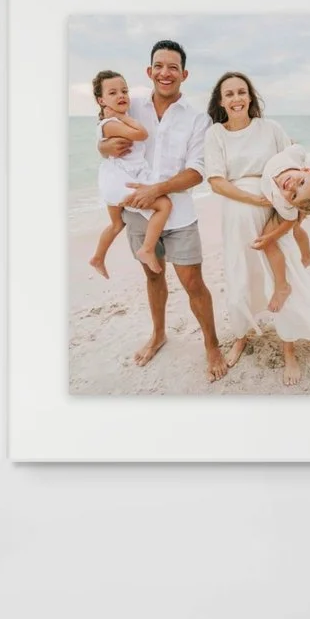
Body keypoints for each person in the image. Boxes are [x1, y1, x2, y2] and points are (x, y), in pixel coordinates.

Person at [202, 72, 310, 387]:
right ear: (221, 101)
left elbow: (295, 172)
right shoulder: (215, 134)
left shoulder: (271, 128)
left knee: (282, 279)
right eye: (229, 94)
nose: (236, 98)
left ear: (250, 97)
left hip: (274, 210)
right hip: (237, 215)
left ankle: (289, 349)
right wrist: (253, 198)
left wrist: (281, 210)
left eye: (241, 92)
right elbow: (215, 181)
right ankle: (242, 335)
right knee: (240, 279)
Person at [102, 39, 231, 381]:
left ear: (183, 74)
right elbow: (105, 132)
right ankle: (159, 334)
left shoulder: (197, 119)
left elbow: (197, 170)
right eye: (159, 66)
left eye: (173, 67)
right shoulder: (133, 107)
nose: (165, 72)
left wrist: (157, 189)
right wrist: (103, 146)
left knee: (193, 282)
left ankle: (212, 344)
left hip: (179, 213)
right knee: (153, 274)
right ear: (149, 71)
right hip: (137, 212)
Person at [84, 69, 153, 278]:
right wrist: (123, 116)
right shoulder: (114, 122)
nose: (121, 95)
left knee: (117, 223)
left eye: (124, 90)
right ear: (101, 100)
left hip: (111, 177)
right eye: (113, 93)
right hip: (119, 181)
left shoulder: (111, 121)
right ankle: (148, 249)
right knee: (162, 206)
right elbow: (141, 134)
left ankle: (98, 257)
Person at [250, 146, 310, 314]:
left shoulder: (284, 203)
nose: (291, 187)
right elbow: (299, 148)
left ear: (293, 204)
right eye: (302, 182)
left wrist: (271, 237)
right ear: (307, 170)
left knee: (269, 243)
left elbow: (289, 221)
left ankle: (282, 286)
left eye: (294, 195)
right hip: (297, 198)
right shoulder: (291, 156)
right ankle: (307, 256)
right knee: (296, 226)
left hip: (290, 211)